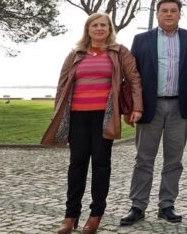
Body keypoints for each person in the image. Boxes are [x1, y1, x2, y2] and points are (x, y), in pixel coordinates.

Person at [42, 13, 143, 234]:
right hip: (77, 116)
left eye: (103, 25)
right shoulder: (75, 54)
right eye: (95, 25)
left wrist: (137, 107)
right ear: (88, 30)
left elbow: (134, 78)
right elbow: (62, 84)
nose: (99, 29)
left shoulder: (119, 52)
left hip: (104, 116)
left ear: (109, 29)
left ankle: (96, 214)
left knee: (100, 164)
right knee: (76, 164)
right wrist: (57, 113)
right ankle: (70, 216)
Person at [120, 0, 187, 226]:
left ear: (179, 14)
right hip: (149, 108)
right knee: (143, 159)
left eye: (173, 11)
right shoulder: (141, 40)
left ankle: (166, 205)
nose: (169, 14)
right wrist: (132, 107)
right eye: (164, 10)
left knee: (174, 160)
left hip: (180, 107)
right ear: (157, 14)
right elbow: (132, 77)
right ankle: (138, 206)